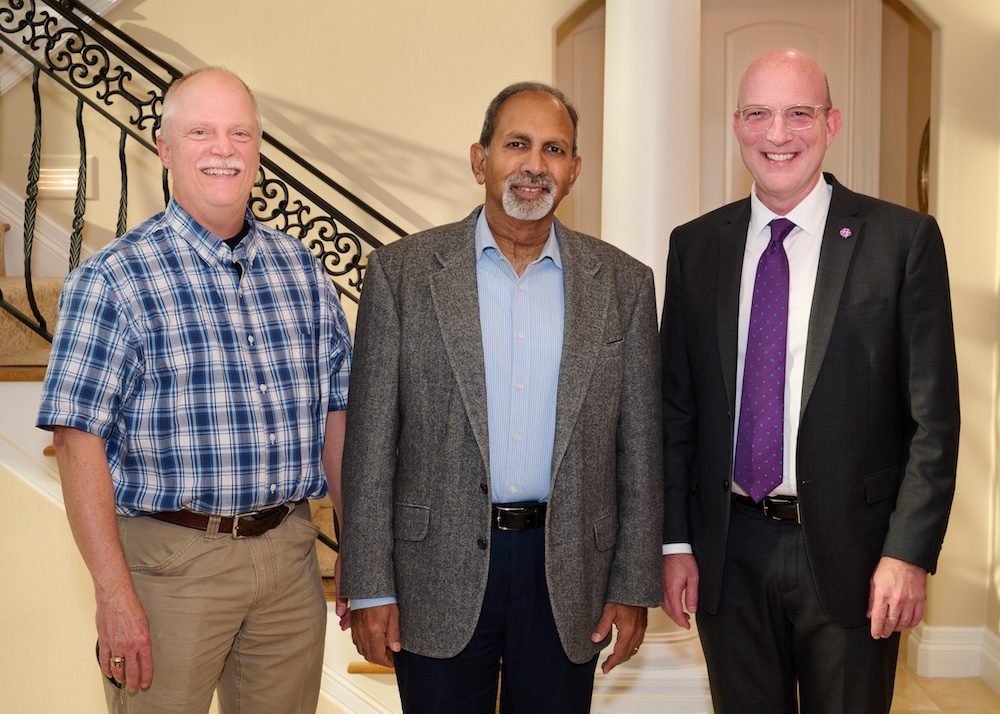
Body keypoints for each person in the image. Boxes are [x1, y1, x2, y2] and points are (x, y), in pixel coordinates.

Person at [339, 81, 663, 714]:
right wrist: (370, 585)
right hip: (435, 569)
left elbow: (640, 449)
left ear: (573, 172)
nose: (534, 164)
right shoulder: (401, 274)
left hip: (568, 571)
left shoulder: (625, 284)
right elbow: (370, 446)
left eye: (554, 149)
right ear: (479, 158)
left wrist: (632, 581)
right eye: (517, 144)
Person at [36, 67, 352, 713]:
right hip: (168, 568)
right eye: (201, 131)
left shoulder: (303, 270)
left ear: (258, 149)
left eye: (240, 132)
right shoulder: (112, 279)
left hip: (291, 558)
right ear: (165, 148)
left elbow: (338, 422)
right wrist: (112, 592)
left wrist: (357, 546)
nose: (223, 148)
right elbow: (76, 442)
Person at [660, 48, 960, 713]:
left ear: (832, 123)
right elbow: (676, 412)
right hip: (728, 552)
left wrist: (908, 554)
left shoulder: (902, 242)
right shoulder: (695, 247)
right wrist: (676, 541)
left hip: (856, 557)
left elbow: (933, 422)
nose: (778, 134)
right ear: (736, 126)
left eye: (799, 113)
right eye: (759, 115)